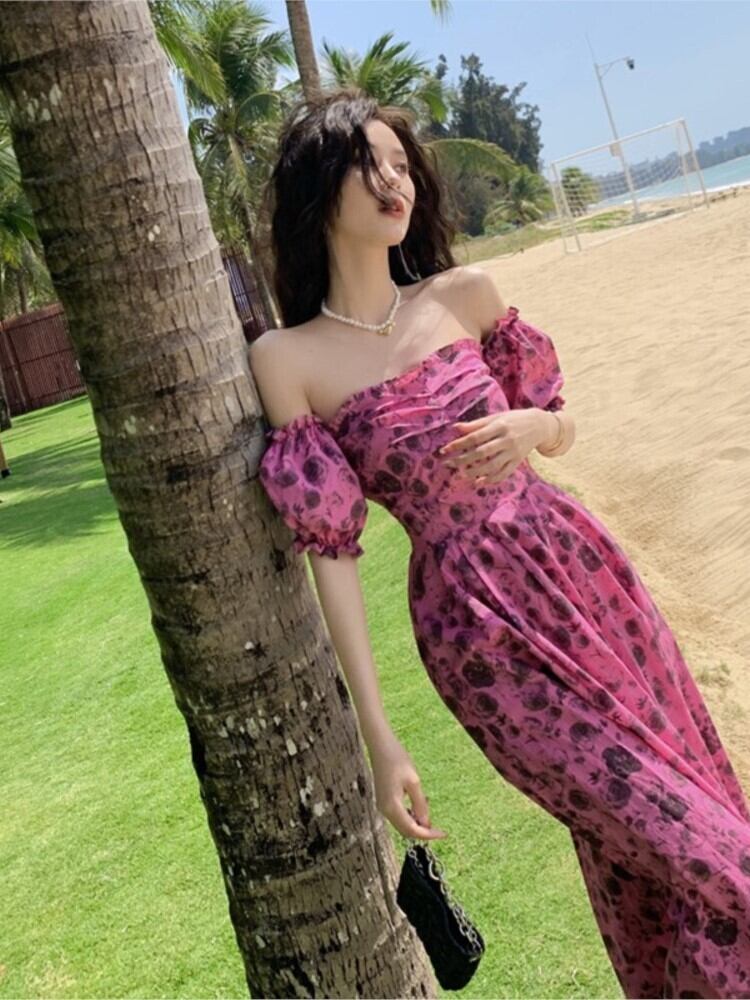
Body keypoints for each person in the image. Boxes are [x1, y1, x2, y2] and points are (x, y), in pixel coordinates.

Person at [249, 87, 750, 998]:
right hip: (478, 635)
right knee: (678, 840)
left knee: (668, 830)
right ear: (321, 188)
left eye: (402, 164)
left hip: (585, 577)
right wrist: (380, 736)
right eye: (371, 164)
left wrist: (532, 428)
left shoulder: (466, 296)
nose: (396, 181)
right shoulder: (290, 360)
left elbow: (561, 427)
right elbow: (333, 553)